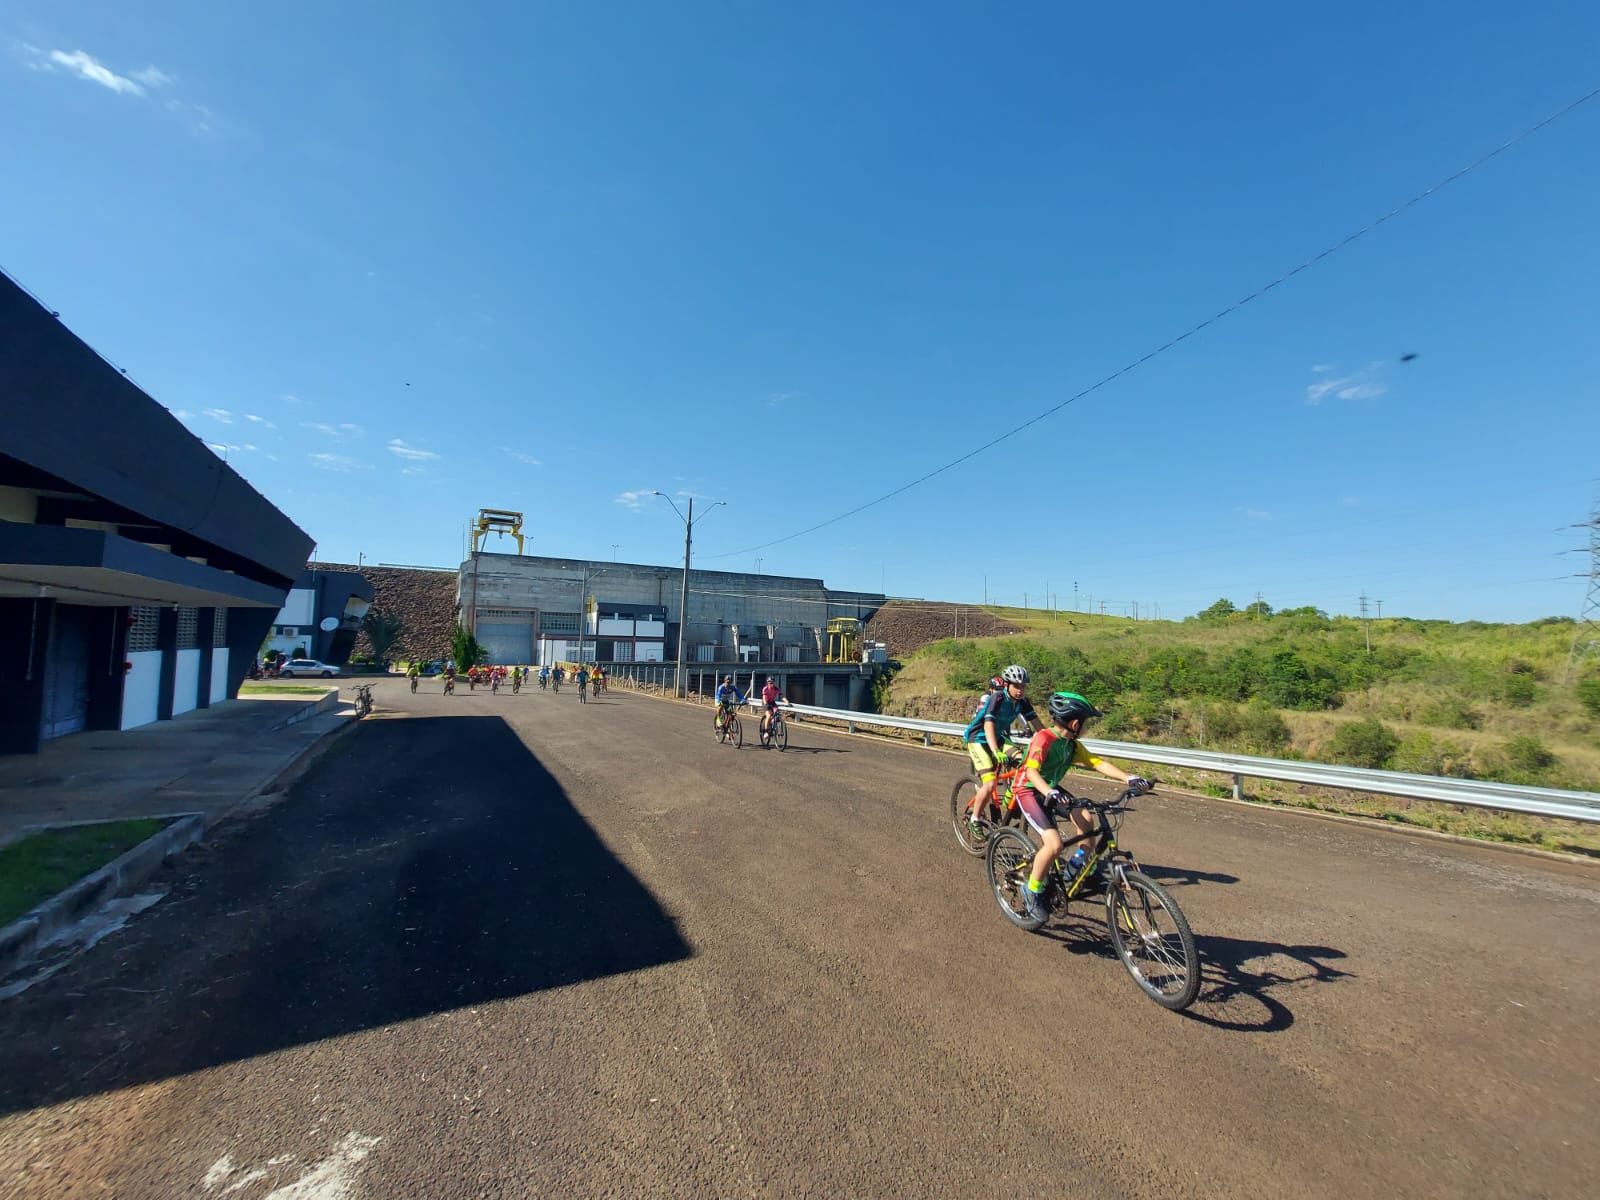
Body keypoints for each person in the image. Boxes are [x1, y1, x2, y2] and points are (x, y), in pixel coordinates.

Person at [1015, 692, 1150, 921]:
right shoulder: (1044, 739)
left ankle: (1077, 866)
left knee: (1086, 819)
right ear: (1075, 723)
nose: (1087, 727)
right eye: (1086, 722)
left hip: (1051, 789)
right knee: (1054, 844)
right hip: (1029, 790)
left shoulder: (1072, 745)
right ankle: (1032, 889)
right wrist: (1049, 792)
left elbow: (1096, 763)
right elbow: (1031, 771)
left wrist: (1129, 778)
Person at [961, 664, 1042, 834]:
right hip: (978, 738)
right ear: (1006, 685)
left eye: (1023, 686)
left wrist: (1052, 746)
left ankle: (1010, 796)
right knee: (990, 784)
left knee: (1025, 762)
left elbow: (1039, 728)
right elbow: (988, 724)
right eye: (1016, 686)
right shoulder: (997, 698)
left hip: (998, 737)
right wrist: (996, 751)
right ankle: (975, 819)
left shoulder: (1023, 702)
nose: (1020, 690)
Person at [714, 675, 746, 739]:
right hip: (719, 700)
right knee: (720, 708)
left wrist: (742, 700)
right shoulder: (721, 687)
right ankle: (718, 721)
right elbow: (718, 695)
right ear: (725, 681)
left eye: (730, 682)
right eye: (727, 682)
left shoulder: (733, 687)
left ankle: (728, 730)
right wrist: (719, 702)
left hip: (726, 701)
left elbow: (738, 694)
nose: (728, 684)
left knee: (730, 713)